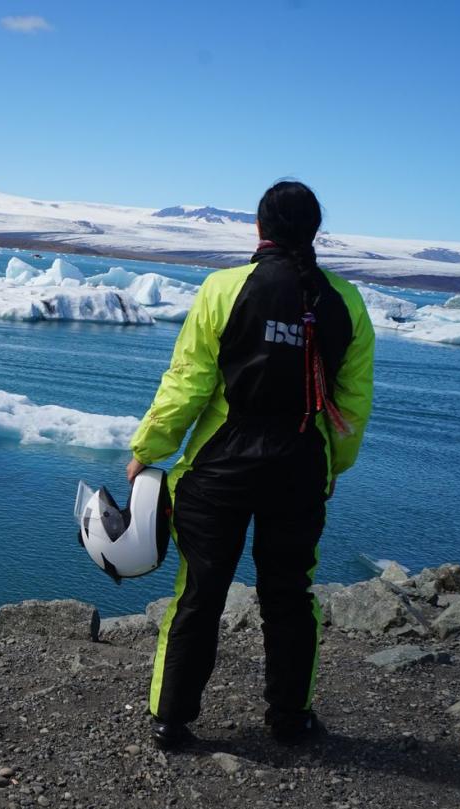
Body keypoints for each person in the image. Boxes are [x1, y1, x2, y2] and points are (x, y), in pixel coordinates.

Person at [127, 180, 375, 750]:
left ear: (260, 229)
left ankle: (172, 720)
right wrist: (333, 466)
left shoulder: (223, 289)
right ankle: (289, 719)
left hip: (220, 469)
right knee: (289, 595)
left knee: (200, 593)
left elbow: (187, 383)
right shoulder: (345, 302)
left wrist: (149, 449)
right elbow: (352, 403)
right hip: (300, 469)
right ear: (314, 231)